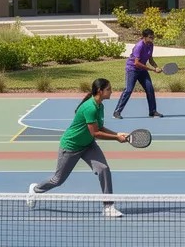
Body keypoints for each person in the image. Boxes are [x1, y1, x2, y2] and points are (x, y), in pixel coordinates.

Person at [28, 77, 129, 218]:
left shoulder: (100, 106)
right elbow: (96, 133)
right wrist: (117, 139)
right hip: (71, 146)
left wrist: (117, 134)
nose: (111, 92)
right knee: (58, 180)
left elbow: (99, 127)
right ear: (100, 91)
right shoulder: (90, 107)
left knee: (103, 169)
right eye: (108, 89)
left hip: (88, 145)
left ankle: (108, 207)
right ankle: (35, 189)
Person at [113, 28, 163, 119]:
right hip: (132, 69)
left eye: (153, 37)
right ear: (144, 37)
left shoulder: (151, 45)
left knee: (150, 89)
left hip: (142, 70)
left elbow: (150, 59)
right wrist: (152, 69)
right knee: (128, 90)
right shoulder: (139, 46)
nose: (152, 39)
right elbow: (136, 63)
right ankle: (117, 112)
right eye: (150, 37)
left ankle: (152, 111)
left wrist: (156, 67)